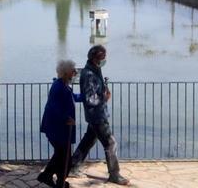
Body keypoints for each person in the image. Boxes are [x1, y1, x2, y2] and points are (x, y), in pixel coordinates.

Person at [67, 45, 130, 185]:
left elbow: (96, 91)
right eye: (103, 57)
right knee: (110, 143)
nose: (104, 59)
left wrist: (103, 90)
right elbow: (90, 99)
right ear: (95, 58)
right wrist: (104, 97)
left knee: (89, 140)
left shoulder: (95, 69)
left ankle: (73, 166)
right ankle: (114, 174)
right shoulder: (89, 74)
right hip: (96, 116)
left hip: (98, 114)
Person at [38, 59, 82, 188]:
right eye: (72, 70)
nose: (75, 72)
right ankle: (53, 178)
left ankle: (57, 180)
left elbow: (73, 97)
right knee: (63, 155)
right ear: (65, 72)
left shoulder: (63, 85)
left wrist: (87, 97)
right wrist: (66, 118)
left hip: (59, 128)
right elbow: (53, 107)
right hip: (56, 128)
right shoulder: (58, 86)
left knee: (62, 155)